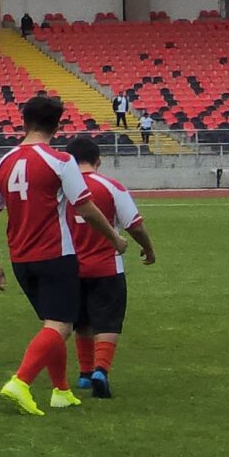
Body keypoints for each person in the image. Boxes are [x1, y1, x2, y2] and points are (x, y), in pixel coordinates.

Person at [0, 95, 126, 416]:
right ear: (57, 125)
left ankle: (61, 390)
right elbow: (86, 208)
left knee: (54, 323)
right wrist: (114, 237)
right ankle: (21, 381)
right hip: (55, 254)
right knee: (60, 325)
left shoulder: (2, 163)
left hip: (20, 258)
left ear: (23, 122)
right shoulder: (60, 160)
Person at [64, 135, 154, 400]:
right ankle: (101, 370)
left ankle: (84, 373)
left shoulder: (61, 188)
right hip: (106, 266)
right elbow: (133, 224)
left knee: (81, 322)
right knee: (108, 322)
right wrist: (148, 248)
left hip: (70, 266)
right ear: (98, 160)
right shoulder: (111, 186)